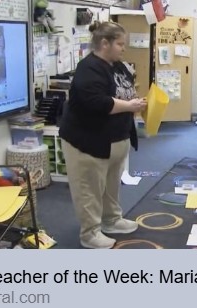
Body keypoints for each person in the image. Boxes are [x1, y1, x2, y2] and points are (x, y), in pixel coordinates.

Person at [59, 21, 147, 249]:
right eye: (119, 44)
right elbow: (97, 102)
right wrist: (130, 106)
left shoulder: (117, 65)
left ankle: (111, 220)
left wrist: (135, 104)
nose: (123, 48)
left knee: (110, 186)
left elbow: (126, 91)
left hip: (114, 141)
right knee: (89, 189)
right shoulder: (88, 68)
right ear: (104, 43)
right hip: (88, 142)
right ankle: (90, 233)